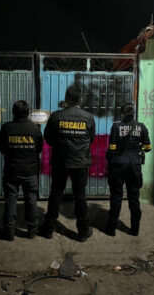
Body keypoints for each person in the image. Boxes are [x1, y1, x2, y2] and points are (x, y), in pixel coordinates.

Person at [39, 85, 96, 242]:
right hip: (81, 163)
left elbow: (48, 138)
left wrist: (61, 145)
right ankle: (83, 231)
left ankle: (48, 228)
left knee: (56, 193)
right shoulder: (88, 117)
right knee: (80, 195)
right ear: (80, 99)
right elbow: (91, 139)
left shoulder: (56, 116)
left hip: (61, 162)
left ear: (66, 98)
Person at [0, 100, 43, 241]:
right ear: (28, 113)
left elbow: (2, 149)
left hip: (12, 171)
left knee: (11, 200)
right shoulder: (35, 129)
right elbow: (39, 149)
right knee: (31, 200)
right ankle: (31, 232)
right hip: (30, 171)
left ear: (13, 112)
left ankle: (9, 232)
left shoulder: (7, 128)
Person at [105, 103, 151, 237]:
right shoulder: (141, 127)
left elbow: (112, 148)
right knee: (134, 197)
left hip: (119, 165)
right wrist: (139, 149)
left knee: (116, 196)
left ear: (122, 113)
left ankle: (111, 229)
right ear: (134, 113)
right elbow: (148, 148)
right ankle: (135, 229)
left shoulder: (116, 126)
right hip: (134, 165)